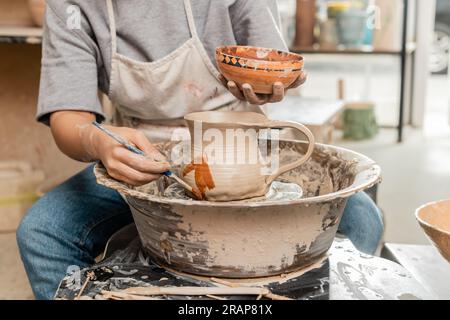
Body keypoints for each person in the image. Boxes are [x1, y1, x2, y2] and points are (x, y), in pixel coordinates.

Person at [17, 0, 383, 300]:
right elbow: (70, 118)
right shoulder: (73, 5)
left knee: (360, 218)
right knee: (43, 231)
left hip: (240, 142)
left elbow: (269, 61)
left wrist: (268, 84)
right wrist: (97, 140)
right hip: (144, 150)